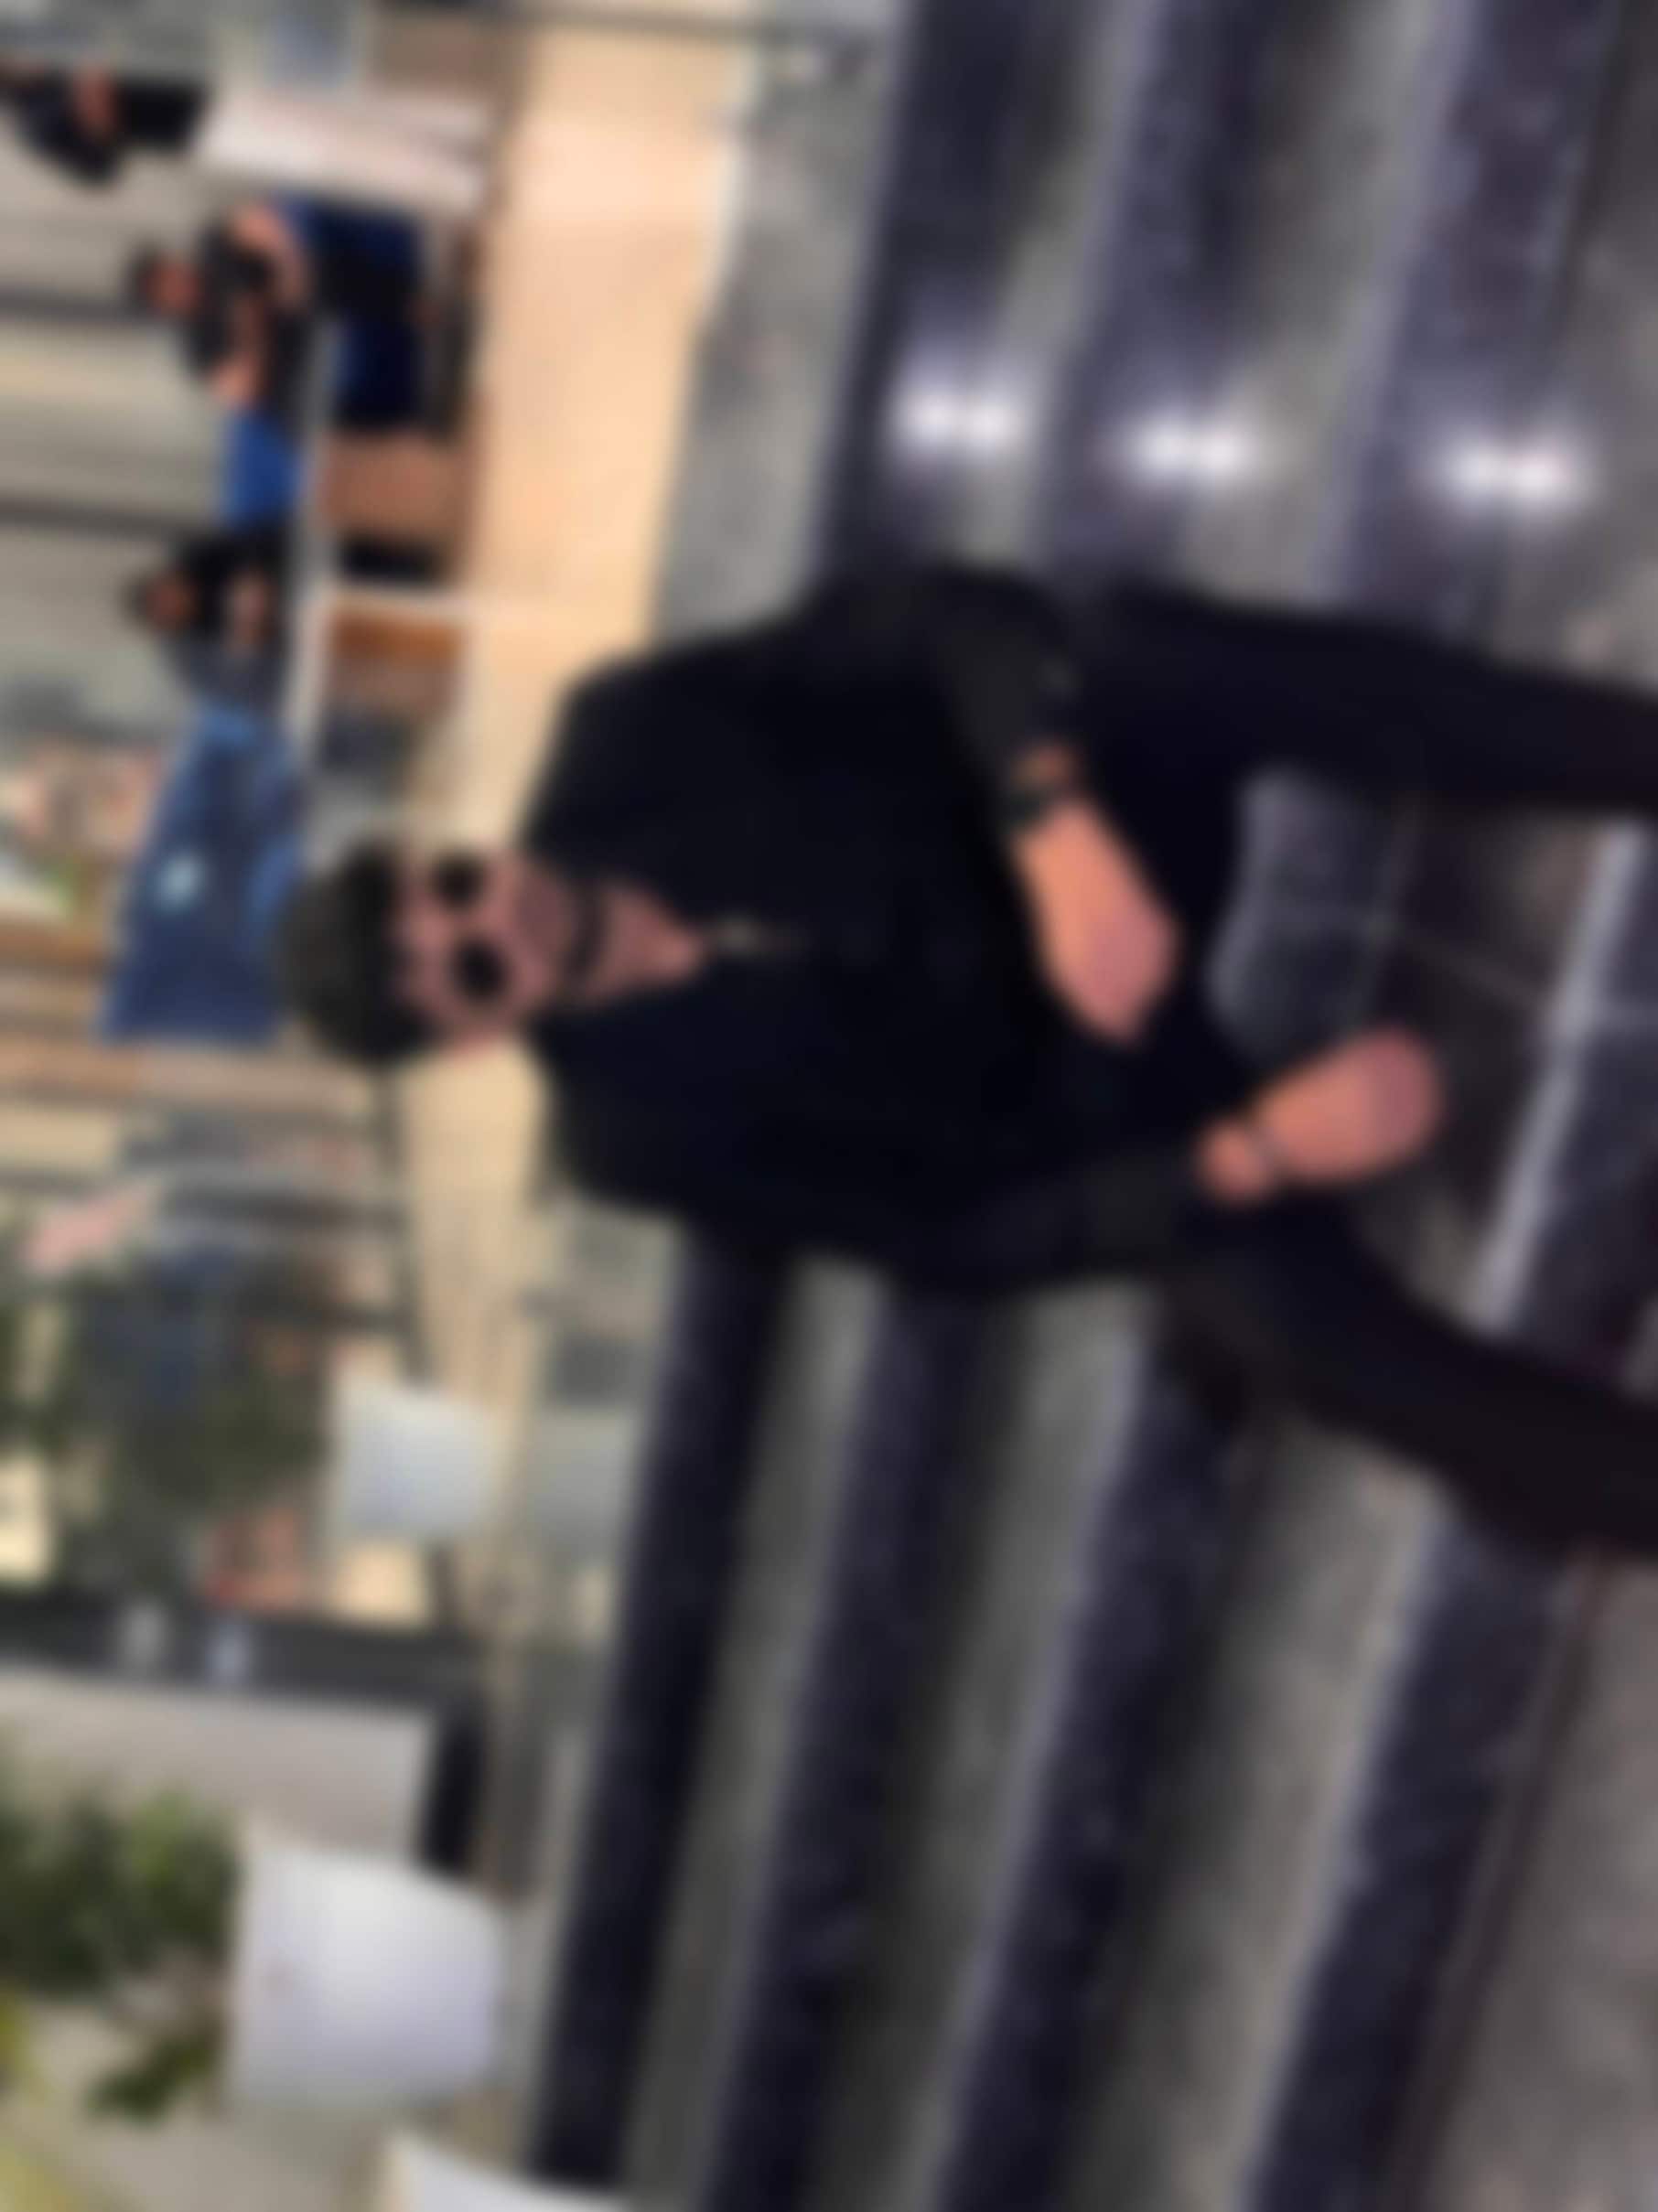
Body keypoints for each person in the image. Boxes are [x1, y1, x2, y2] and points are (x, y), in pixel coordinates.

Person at [281, 565, 1658, 1555]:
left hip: (1095, 831)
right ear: (472, 1040)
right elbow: (951, 1240)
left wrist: (1046, 809)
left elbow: (934, 619)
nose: (493, 919)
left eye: (450, 884)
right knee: (1300, 1336)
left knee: (1134, 646)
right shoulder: (627, 1137)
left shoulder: (623, 735)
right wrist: (1248, 1156)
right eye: (470, 969)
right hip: (1098, 1098)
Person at [0, 60, 487, 218]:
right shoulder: (34, 124)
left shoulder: (56, 33)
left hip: (211, 60)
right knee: (329, 150)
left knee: (348, 89)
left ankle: (462, 124)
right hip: (195, 124)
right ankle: (455, 181)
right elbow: (99, 173)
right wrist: (99, 124)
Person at [128, 202, 432, 432]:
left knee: (318, 281)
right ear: (164, 307)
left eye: (169, 274)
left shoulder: (212, 246)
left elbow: (260, 221)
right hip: (287, 370)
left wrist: (289, 263)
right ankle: (414, 417)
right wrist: (252, 333)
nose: (175, 285)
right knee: (302, 407)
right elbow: (243, 391)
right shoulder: (196, 349)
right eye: (164, 292)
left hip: (298, 302)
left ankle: (416, 307)